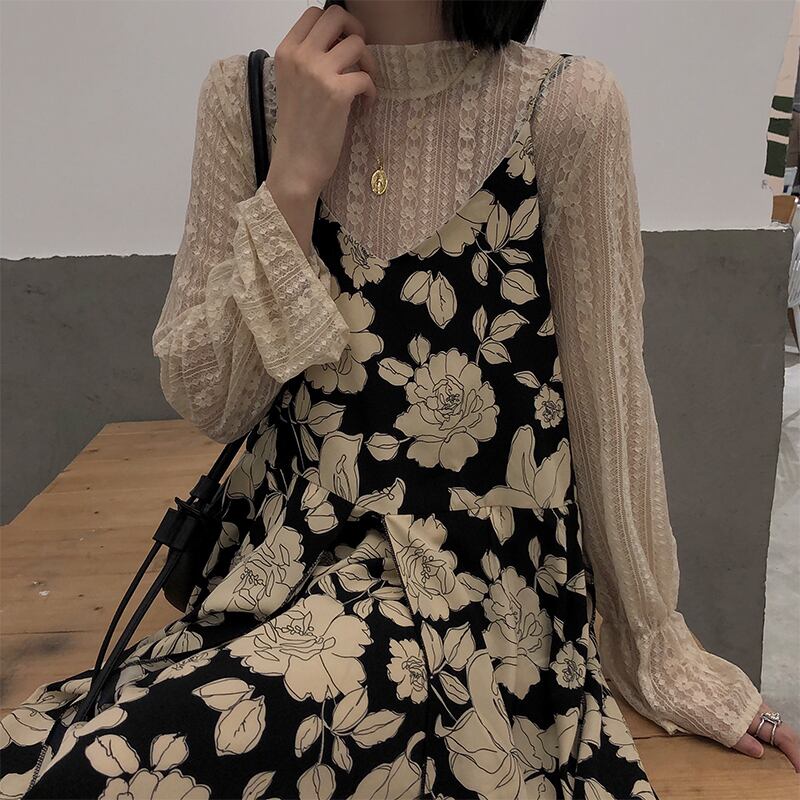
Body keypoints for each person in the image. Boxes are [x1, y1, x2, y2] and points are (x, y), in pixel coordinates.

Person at [2, 2, 798, 798]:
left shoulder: (564, 108)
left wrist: (659, 650)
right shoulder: (246, 99)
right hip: (276, 581)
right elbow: (212, 401)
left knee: (97, 777)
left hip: (474, 607)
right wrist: (291, 181)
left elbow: (609, 413)